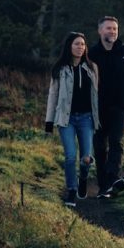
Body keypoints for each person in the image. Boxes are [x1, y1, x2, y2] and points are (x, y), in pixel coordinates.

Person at [44, 32, 102, 207]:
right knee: (70, 156)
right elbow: (53, 95)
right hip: (66, 119)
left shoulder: (92, 68)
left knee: (86, 158)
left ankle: (83, 177)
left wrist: (98, 117)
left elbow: (96, 95)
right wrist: (49, 122)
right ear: (69, 46)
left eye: (83, 45)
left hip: (86, 119)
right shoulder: (60, 69)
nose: (80, 47)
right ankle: (71, 190)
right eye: (77, 44)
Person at [91, 15, 124, 198]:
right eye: (108, 28)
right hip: (98, 107)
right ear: (100, 30)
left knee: (116, 142)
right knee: (99, 145)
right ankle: (103, 186)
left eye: (114, 28)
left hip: (122, 105)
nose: (112, 31)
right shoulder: (92, 53)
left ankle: (113, 180)